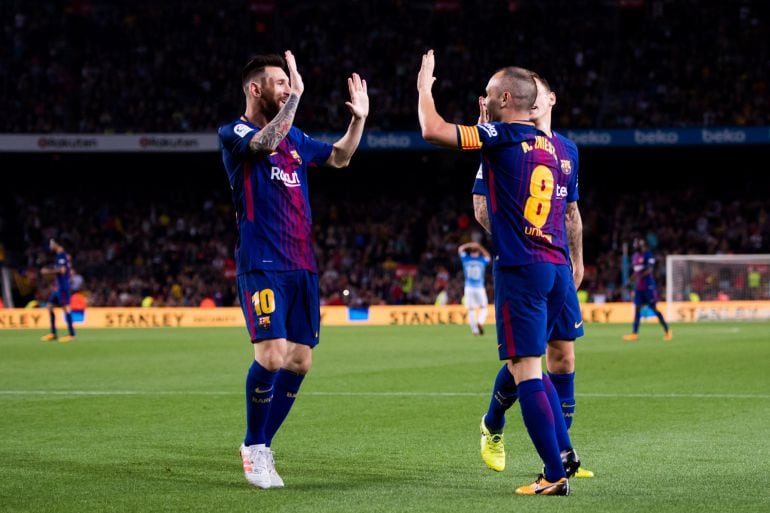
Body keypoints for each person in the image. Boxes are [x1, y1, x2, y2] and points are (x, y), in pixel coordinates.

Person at [418, 50, 577, 495]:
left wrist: (424, 86)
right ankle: (561, 455)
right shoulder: (550, 146)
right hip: (553, 266)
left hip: (521, 268)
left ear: (506, 98)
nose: (483, 100)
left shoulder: (503, 136)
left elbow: (432, 130)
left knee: (526, 370)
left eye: (489, 95)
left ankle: (552, 474)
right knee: (532, 365)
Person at [218, 50, 368, 489]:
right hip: (262, 260)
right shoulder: (235, 131)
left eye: (289, 83)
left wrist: (357, 120)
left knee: (300, 361)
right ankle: (254, 446)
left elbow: (340, 158)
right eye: (279, 82)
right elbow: (263, 144)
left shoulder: (297, 138)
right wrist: (295, 99)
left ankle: (261, 443)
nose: (287, 86)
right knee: (271, 354)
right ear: (255, 88)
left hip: (302, 263)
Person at [472, 73, 594, 479]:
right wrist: (524, 237)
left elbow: (572, 212)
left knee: (562, 355)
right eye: (531, 96)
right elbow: (481, 206)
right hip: (528, 262)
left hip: (558, 265)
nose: (535, 102)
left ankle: (565, 456)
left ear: (551, 99)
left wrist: (577, 259)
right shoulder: (502, 142)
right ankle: (495, 423)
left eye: (541, 95)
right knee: (528, 360)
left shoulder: (568, 151)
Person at [623, 237, 672, 341]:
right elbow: (636, 272)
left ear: (642, 245)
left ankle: (667, 330)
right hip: (639, 288)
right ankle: (634, 333)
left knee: (654, 309)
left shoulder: (648, 255)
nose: (635, 248)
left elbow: (649, 270)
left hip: (648, 287)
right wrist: (629, 281)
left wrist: (638, 277)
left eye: (637, 245)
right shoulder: (635, 257)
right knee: (637, 309)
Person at [40, 238, 76, 343]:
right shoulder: (60, 256)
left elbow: (62, 270)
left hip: (63, 286)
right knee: (50, 306)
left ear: (58, 244)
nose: (50, 245)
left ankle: (71, 334)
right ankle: (53, 333)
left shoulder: (61, 255)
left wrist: (48, 271)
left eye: (52, 242)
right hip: (58, 287)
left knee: (66, 308)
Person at [457, 242, 491, 336]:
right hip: (479, 287)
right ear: (478, 253)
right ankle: (480, 321)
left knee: (471, 309)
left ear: (470, 252)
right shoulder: (481, 260)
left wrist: (469, 245)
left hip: (468, 287)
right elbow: (488, 257)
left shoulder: (466, 259)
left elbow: (460, 249)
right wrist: (479, 246)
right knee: (484, 307)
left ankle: (475, 330)